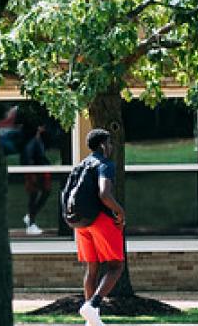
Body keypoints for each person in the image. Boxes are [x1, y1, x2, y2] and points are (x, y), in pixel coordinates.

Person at [74, 129, 126, 326]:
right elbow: (104, 194)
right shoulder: (105, 164)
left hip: (80, 223)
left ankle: (91, 320)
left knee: (92, 267)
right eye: (110, 143)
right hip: (100, 220)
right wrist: (120, 212)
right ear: (103, 145)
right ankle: (92, 305)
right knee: (116, 266)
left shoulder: (81, 166)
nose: (111, 147)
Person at [21, 124, 52, 235]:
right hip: (34, 173)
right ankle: (31, 222)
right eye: (42, 127)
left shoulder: (38, 142)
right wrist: (32, 174)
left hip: (39, 172)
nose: (44, 129)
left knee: (44, 193)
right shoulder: (33, 143)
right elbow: (29, 159)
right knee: (34, 197)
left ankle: (30, 216)